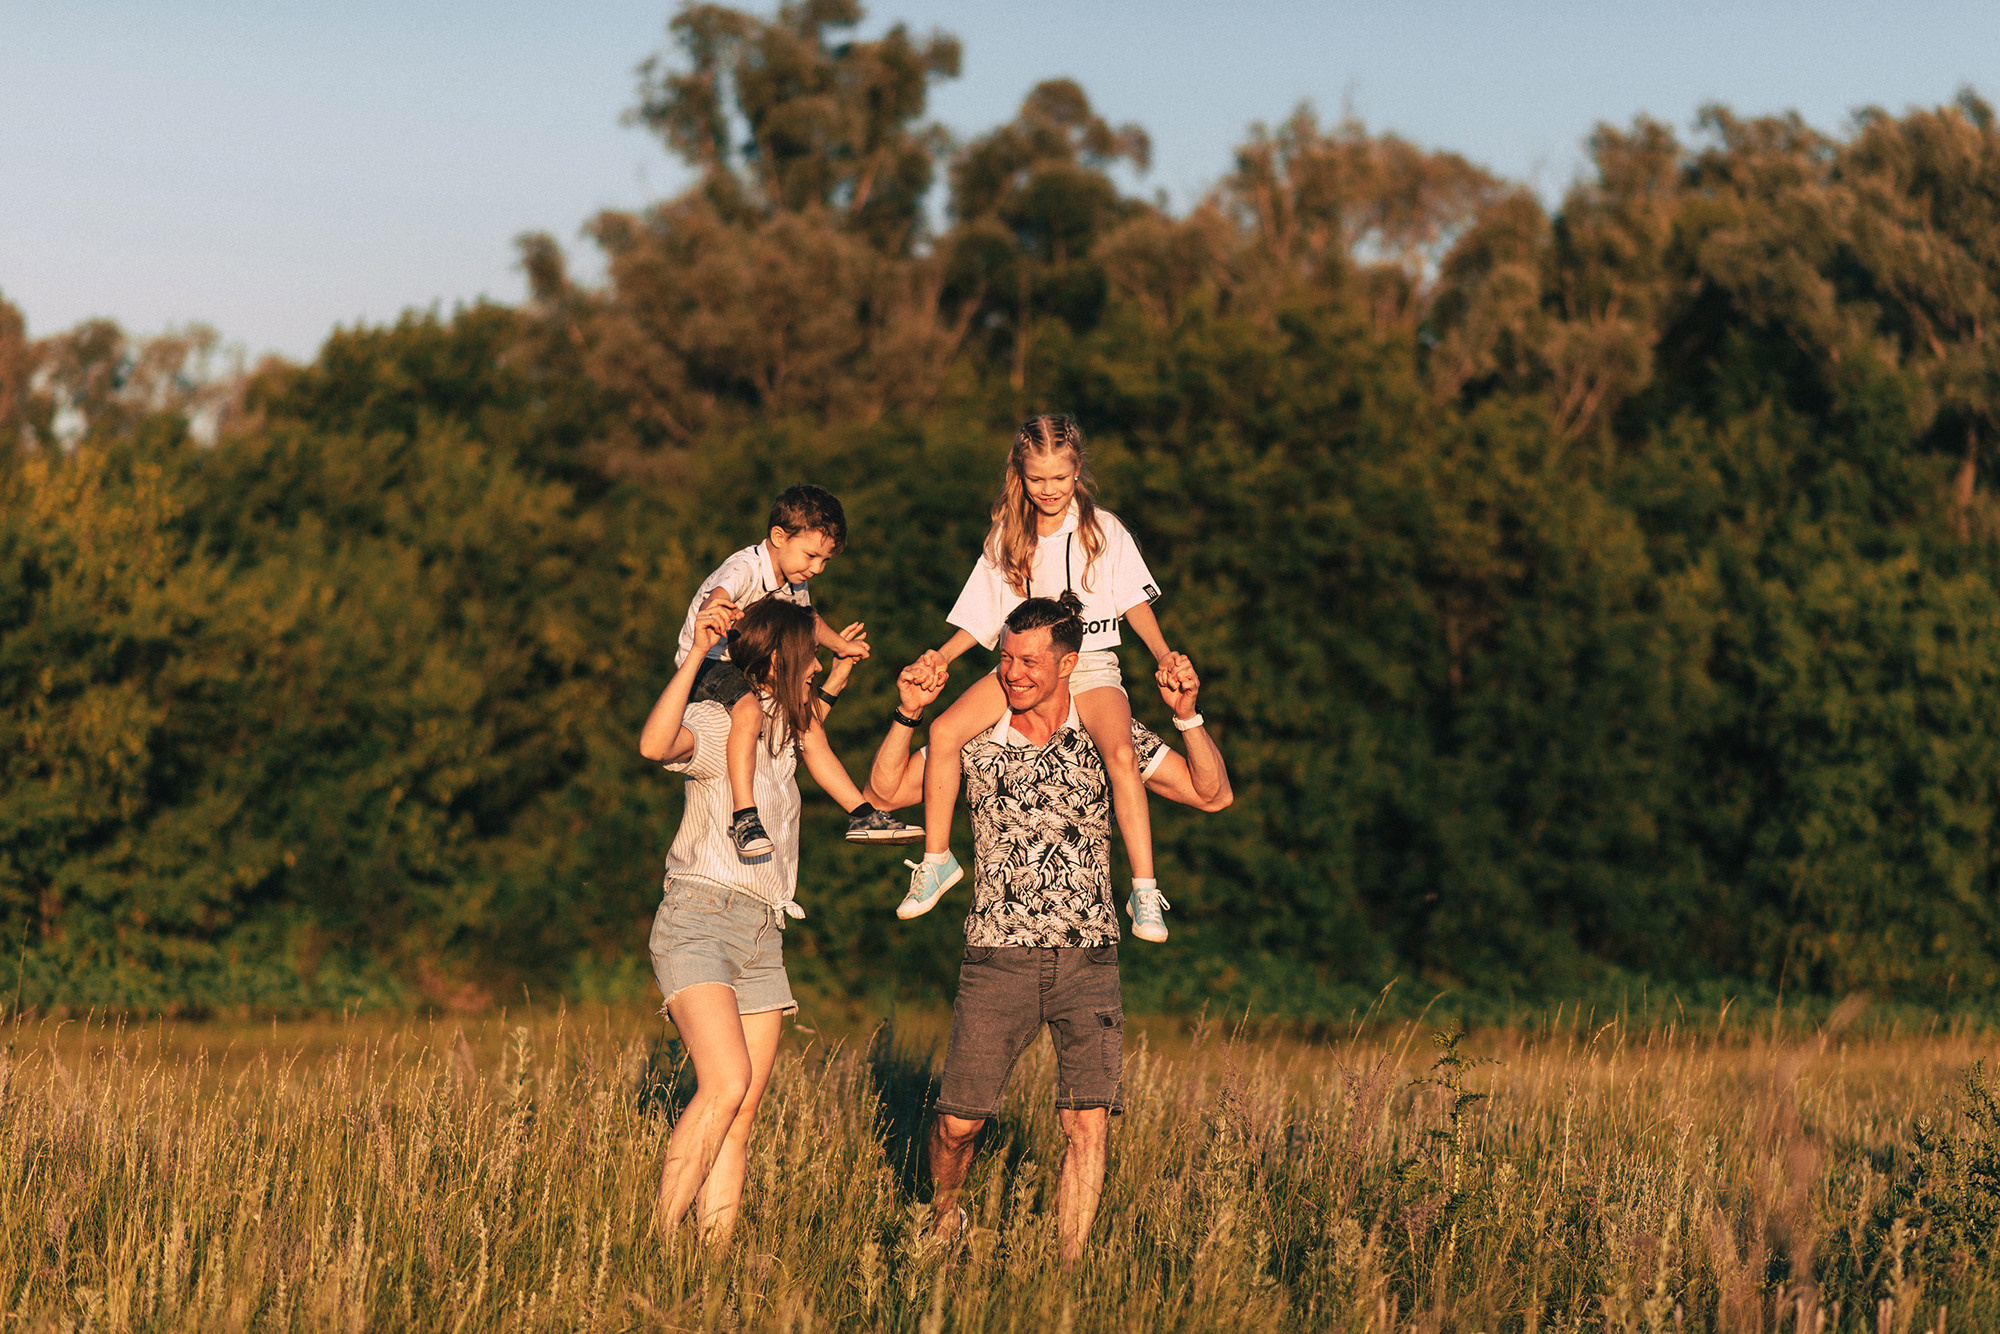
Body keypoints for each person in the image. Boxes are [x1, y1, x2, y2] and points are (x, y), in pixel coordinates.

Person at [869, 596, 1231, 1263]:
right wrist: (908, 712)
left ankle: (1065, 1273)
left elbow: (1213, 794)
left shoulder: (1109, 734)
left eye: (1029, 661)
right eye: (1005, 658)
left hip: (1088, 956)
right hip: (996, 955)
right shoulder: (974, 737)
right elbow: (888, 792)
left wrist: (1187, 716)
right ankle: (946, 1218)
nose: (1013, 672)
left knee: (1086, 1123)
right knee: (957, 1124)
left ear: (1069, 664)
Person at [638, 597, 875, 1246]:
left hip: (762, 930)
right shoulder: (720, 721)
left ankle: (710, 1276)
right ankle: (654, 1249)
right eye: (809, 657)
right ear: (775, 661)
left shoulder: (780, 728)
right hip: (699, 919)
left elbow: (802, 731)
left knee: (739, 1114)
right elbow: (655, 744)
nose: (817, 665)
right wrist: (694, 656)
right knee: (726, 1082)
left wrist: (841, 680)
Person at [897, 416, 1188, 942]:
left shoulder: (1105, 530)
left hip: (1092, 662)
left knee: (1121, 755)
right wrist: (938, 657)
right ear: (1020, 474)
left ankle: (1144, 889)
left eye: (1061, 477)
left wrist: (1164, 654)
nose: (1049, 490)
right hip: (1021, 668)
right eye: (1037, 479)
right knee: (943, 733)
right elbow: (982, 615)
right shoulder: (1009, 535)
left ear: (1078, 470)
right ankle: (937, 860)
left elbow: (1134, 602)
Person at [673, 483, 919, 860]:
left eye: (825, 561)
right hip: (710, 664)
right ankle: (744, 815)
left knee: (809, 727)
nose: (816, 568)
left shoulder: (793, 580)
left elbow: (810, 620)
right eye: (810, 555)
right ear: (778, 536)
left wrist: (840, 645)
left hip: (748, 667)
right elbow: (719, 594)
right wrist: (718, 608)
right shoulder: (746, 567)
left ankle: (862, 813)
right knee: (748, 712)